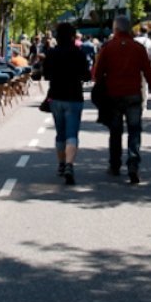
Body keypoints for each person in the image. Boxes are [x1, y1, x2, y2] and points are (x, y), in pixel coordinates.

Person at [94, 16, 151, 185]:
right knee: (134, 131)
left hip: (113, 95)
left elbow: (97, 73)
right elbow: (148, 72)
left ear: (115, 29)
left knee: (115, 132)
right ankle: (133, 164)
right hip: (133, 94)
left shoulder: (108, 48)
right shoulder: (138, 48)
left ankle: (115, 164)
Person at [43, 23, 91, 186]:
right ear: (72, 36)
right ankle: (70, 164)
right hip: (74, 97)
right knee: (72, 133)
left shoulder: (52, 53)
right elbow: (87, 76)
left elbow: (46, 75)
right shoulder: (79, 53)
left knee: (60, 133)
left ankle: (61, 164)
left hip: (56, 97)